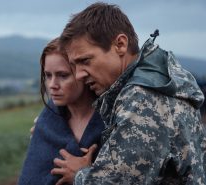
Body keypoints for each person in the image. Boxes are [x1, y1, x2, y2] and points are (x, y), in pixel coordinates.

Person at [57, 2, 206, 184]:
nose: (78, 75)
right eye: (74, 65)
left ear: (120, 44)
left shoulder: (144, 98)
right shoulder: (154, 82)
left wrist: (79, 174)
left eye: (85, 61)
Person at [18, 38, 105, 185]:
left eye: (63, 75)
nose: (52, 85)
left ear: (82, 74)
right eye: (48, 75)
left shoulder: (111, 122)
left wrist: (86, 176)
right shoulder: (46, 124)